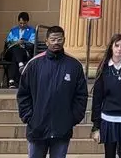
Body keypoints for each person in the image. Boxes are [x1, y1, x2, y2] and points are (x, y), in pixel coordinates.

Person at [17, 26, 88, 158]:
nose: (56, 42)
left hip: (62, 129)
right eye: (53, 39)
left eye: (59, 39)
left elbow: (81, 96)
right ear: (46, 41)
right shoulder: (34, 64)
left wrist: (72, 118)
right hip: (37, 128)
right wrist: (29, 117)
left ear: (64, 40)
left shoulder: (74, 65)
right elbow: (23, 94)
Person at [2, 11, 38, 87]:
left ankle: (11, 81)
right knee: (16, 48)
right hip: (11, 52)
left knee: (15, 57)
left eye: (24, 23)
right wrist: (16, 42)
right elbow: (8, 42)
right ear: (18, 21)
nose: (22, 25)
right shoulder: (13, 30)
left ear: (27, 22)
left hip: (24, 52)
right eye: (20, 23)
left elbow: (32, 43)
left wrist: (24, 42)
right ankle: (21, 65)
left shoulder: (32, 31)